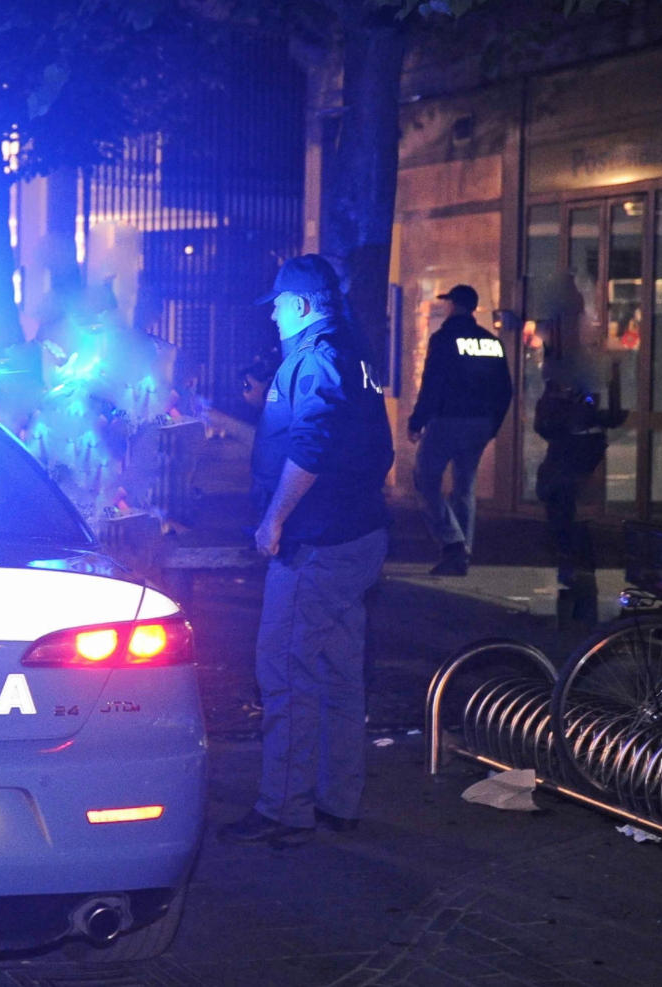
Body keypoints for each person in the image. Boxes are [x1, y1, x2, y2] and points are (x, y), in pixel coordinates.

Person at [218, 254, 394, 847]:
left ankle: (283, 808)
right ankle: (339, 799)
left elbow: (312, 447)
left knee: (287, 670)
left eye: (276, 307)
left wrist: (274, 520)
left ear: (298, 305)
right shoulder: (352, 353)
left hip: (316, 542)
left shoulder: (314, 359)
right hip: (359, 535)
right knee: (340, 672)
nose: (271, 319)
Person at [407, 284, 513, 576]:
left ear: (454, 305)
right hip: (480, 424)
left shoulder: (444, 338)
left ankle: (453, 543)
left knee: (425, 479)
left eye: (448, 302)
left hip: (447, 421)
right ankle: (462, 552)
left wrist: (417, 421)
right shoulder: (491, 342)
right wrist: (492, 425)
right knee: (464, 486)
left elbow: (432, 385)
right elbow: (505, 389)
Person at [534, 363, 626, 624]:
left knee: (568, 518)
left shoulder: (578, 382)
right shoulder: (571, 381)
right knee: (568, 518)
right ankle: (575, 582)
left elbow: (550, 422)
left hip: (573, 451)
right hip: (574, 450)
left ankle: (574, 583)